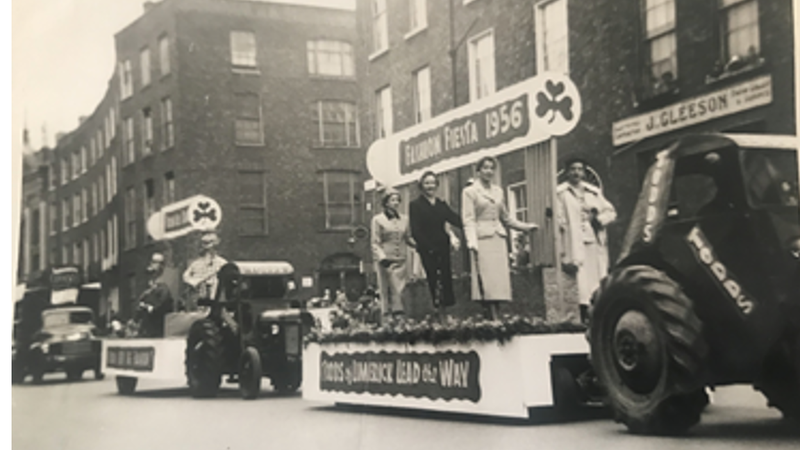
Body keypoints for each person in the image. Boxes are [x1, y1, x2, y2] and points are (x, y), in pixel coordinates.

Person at [462, 156, 538, 320]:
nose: (489, 171)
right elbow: (468, 219)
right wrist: (472, 241)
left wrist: (525, 227)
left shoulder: (498, 191)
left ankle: (497, 315)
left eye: (491, 168)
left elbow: (506, 218)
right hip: (481, 239)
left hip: (498, 238)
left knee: (498, 280)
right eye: (485, 168)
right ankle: (491, 316)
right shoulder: (470, 192)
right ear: (478, 170)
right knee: (485, 280)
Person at [556, 158, 617, 323]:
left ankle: (598, 316)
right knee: (580, 280)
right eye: (573, 169)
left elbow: (611, 212)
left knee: (596, 276)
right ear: (567, 172)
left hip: (593, 239)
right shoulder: (560, 193)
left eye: (580, 169)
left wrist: (598, 219)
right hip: (574, 240)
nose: (576, 173)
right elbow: (558, 220)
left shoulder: (593, 192)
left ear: (584, 172)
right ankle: (582, 317)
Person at [409, 170, 463, 315]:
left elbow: (455, 219)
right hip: (427, 248)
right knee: (433, 278)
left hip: (442, 246)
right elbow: (416, 231)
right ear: (421, 185)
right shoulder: (415, 205)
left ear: (436, 185)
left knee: (446, 278)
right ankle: (437, 312)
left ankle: (447, 312)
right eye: (427, 183)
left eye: (432, 183)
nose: (430, 186)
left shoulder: (441, 204)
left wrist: (473, 224)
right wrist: (428, 247)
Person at [371, 187, 416, 323]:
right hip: (386, 261)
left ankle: (400, 316)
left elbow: (408, 238)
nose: (396, 203)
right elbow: (375, 242)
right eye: (392, 200)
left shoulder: (405, 219)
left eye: (397, 200)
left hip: (402, 260)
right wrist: (382, 257)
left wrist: (421, 245)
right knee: (387, 289)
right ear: (386, 202)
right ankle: (387, 317)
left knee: (401, 289)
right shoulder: (378, 220)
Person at [182, 231, 228, 308]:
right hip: (198, 302)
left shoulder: (223, 263)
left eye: (211, 243)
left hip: (216, 303)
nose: (208, 249)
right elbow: (185, 277)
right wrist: (195, 282)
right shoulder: (196, 264)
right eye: (205, 243)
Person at [136, 252, 175, 338]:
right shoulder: (151, 286)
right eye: (152, 262)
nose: (152, 264)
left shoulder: (164, 284)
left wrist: (150, 308)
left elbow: (163, 303)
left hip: (159, 324)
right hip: (147, 325)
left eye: (155, 262)